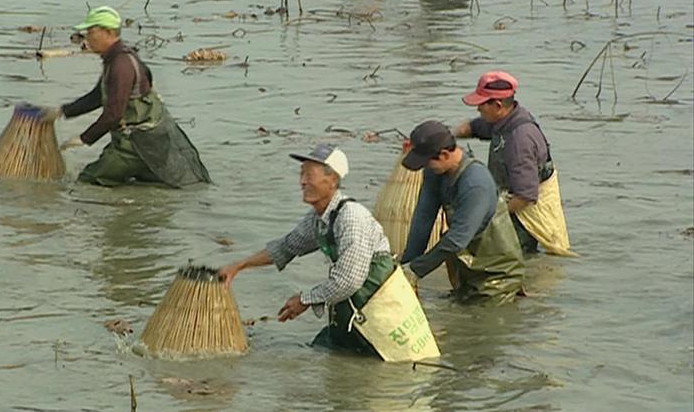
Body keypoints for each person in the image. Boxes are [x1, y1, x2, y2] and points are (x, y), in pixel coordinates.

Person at [218, 144, 426, 358]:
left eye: (309, 175)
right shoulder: (319, 218)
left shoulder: (352, 218)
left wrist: (305, 300)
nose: (302, 182)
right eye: (301, 174)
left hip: (380, 311)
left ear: (333, 180)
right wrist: (239, 266)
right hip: (355, 308)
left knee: (383, 365)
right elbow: (287, 246)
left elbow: (349, 280)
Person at [42, 5, 211, 188]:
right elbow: (97, 97)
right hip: (147, 142)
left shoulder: (121, 66)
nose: (87, 37)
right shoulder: (114, 60)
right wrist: (62, 112)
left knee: (88, 182)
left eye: (91, 31)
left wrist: (83, 139)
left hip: (136, 145)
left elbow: (113, 115)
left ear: (108, 32)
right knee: (150, 186)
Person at [400, 120, 526, 304]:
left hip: (497, 278)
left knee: (476, 327)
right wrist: (405, 265)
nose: (425, 168)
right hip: (467, 268)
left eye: (426, 163)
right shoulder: (435, 173)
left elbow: (456, 240)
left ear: (443, 155)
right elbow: (423, 219)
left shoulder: (475, 184)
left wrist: (415, 270)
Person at [452, 71, 575, 256]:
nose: (478, 109)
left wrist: (489, 217)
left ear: (498, 105)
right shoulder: (503, 119)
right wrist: (447, 136)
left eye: (481, 104)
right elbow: (476, 127)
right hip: (511, 197)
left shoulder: (520, 140)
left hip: (524, 214)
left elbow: (525, 196)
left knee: (515, 260)